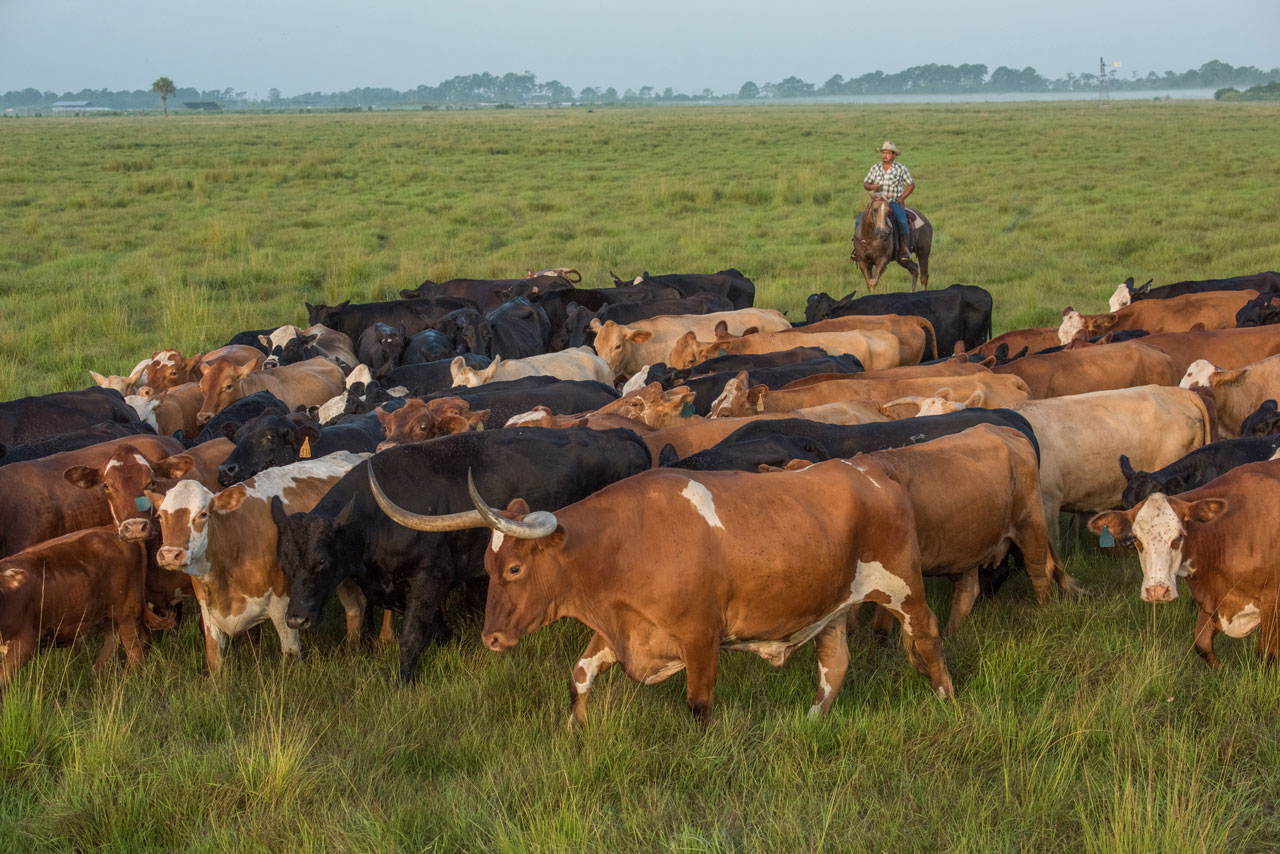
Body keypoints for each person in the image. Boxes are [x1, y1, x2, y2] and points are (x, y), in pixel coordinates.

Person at [863, 141, 914, 262]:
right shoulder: (875, 167)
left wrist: (902, 198)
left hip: (893, 202)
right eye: (883, 153)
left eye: (887, 153)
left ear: (893, 155)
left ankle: (903, 248)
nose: (884, 155)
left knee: (902, 221)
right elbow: (866, 183)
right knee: (860, 220)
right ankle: (859, 247)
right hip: (876, 202)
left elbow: (911, 185)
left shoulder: (901, 168)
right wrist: (872, 187)